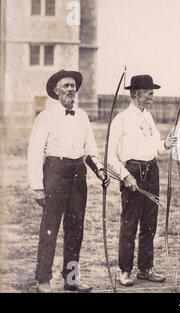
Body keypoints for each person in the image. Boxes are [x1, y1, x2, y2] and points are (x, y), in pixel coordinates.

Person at [28, 70, 108, 293]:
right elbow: (35, 153)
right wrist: (37, 187)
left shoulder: (82, 116)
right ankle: (43, 280)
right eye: (66, 86)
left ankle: (71, 279)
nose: (71, 89)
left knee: (75, 229)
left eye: (73, 85)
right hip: (54, 173)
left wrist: (100, 170)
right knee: (50, 229)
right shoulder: (45, 117)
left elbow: (90, 149)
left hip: (77, 174)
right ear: (56, 90)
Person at [108, 74, 177, 287]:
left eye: (152, 93)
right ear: (136, 94)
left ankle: (146, 269)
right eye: (149, 93)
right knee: (129, 224)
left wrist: (166, 144)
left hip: (152, 171)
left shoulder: (148, 117)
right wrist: (125, 175)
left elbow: (155, 145)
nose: (152, 97)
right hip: (133, 173)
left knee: (150, 224)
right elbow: (110, 155)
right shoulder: (120, 119)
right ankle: (125, 271)